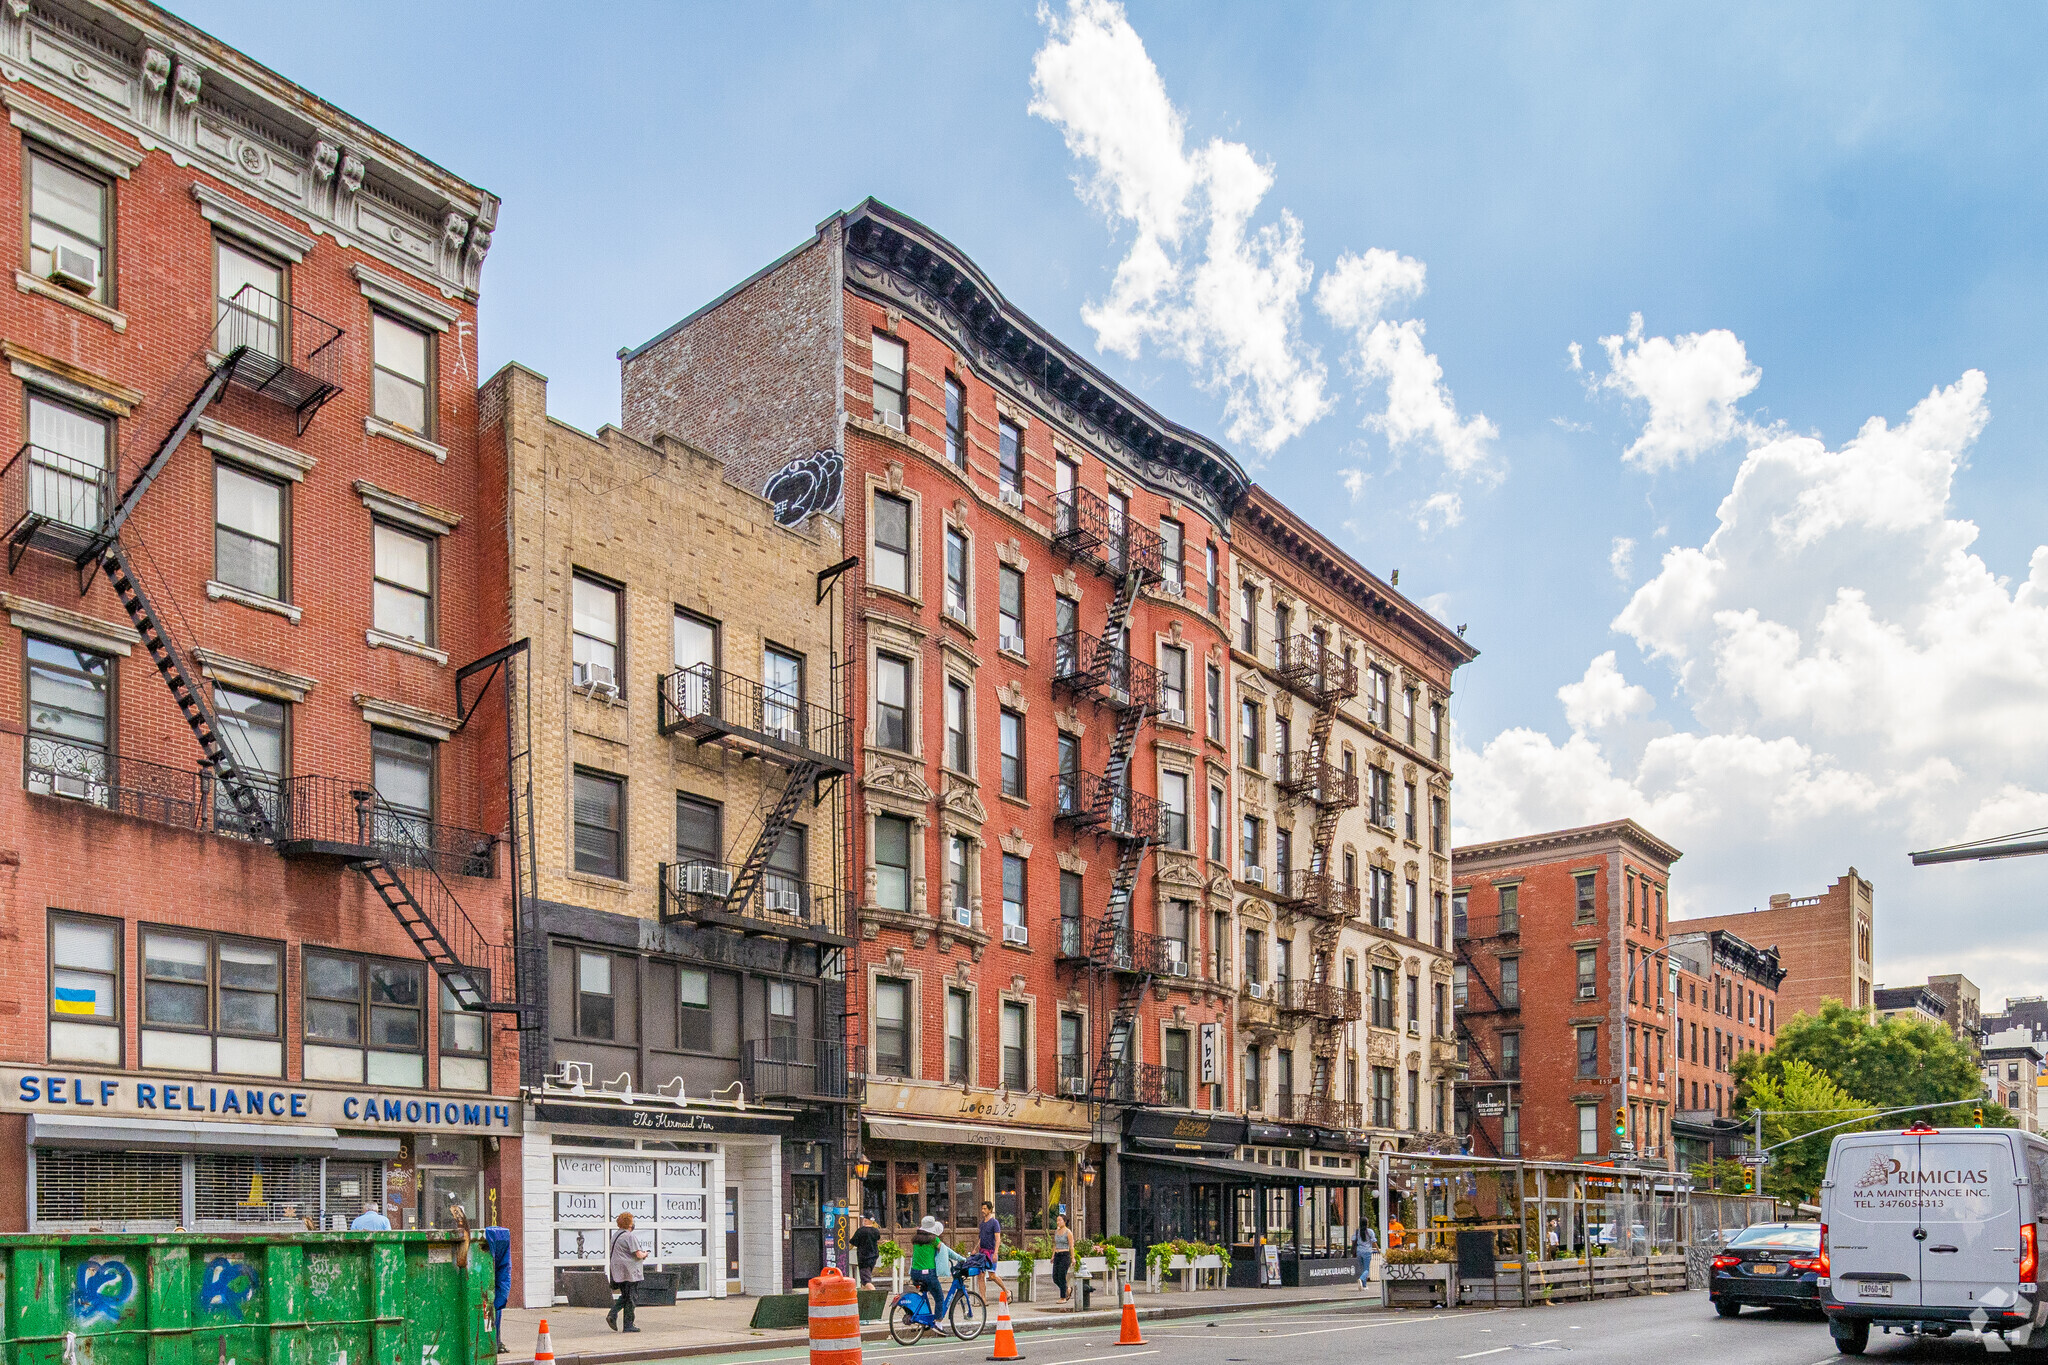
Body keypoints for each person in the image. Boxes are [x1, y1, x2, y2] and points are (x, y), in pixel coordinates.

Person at [607, 1211, 649, 1333]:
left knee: (625, 1296)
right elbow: (638, 1254)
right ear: (630, 1224)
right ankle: (628, 1325)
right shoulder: (629, 1236)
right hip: (630, 1272)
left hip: (618, 1271)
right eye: (632, 1221)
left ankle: (613, 1315)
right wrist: (645, 1254)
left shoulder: (616, 1235)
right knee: (631, 1297)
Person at [909, 1216, 945, 1319]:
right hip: (928, 1274)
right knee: (939, 1298)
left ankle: (925, 1315)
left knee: (924, 1294)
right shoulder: (934, 1239)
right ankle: (938, 1323)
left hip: (915, 1273)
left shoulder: (916, 1239)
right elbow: (944, 1250)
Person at [975, 1200, 1003, 1297]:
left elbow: (998, 1239)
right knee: (981, 1276)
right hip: (982, 1252)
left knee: (992, 1276)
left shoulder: (994, 1223)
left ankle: (1006, 1291)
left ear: (990, 1210)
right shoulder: (982, 1223)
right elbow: (981, 1237)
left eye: (985, 1209)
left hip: (990, 1252)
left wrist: (995, 1253)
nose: (983, 1210)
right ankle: (983, 1299)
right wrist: (975, 1248)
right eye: (982, 1208)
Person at [851, 1215, 882, 1289]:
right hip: (873, 1257)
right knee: (865, 1280)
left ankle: (875, 1296)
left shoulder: (860, 1231)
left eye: (864, 1219)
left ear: (866, 1220)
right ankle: (864, 1297)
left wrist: (845, 1251)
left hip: (863, 1258)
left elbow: (852, 1243)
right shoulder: (876, 1231)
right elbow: (877, 1240)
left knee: (866, 1281)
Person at [1051, 1214, 1074, 1303]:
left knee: (1061, 1276)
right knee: (1055, 1277)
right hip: (1057, 1254)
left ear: (1064, 1221)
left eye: (1060, 1220)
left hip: (1065, 1255)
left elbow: (1071, 1246)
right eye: (1057, 1220)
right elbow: (1055, 1244)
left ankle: (1063, 1297)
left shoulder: (1068, 1232)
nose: (1058, 1222)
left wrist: (1073, 1258)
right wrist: (1053, 1255)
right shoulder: (1056, 1231)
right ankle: (1067, 1289)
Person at [1353, 1222, 1378, 1290]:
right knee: (1366, 1269)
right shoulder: (1370, 1231)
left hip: (1359, 1251)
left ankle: (1364, 1285)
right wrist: (1378, 1250)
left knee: (1362, 1268)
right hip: (1367, 1251)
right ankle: (1361, 1279)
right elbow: (1373, 1242)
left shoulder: (1357, 1231)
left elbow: (1353, 1240)